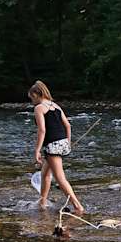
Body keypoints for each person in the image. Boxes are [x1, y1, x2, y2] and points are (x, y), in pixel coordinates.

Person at [28, 81, 85, 215]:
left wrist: (37, 150)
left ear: (37, 94)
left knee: (60, 178)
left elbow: (42, 130)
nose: (32, 101)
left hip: (52, 145)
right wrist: (68, 143)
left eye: (32, 98)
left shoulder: (39, 108)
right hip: (62, 143)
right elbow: (68, 126)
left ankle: (78, 206)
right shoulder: (56, 106)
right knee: (45, 174)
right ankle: (42, 202)